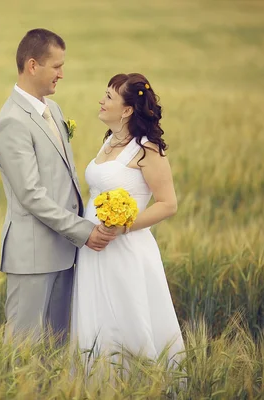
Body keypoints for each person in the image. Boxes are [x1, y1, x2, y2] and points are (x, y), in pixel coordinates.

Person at [0, 29, 117, 343]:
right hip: (33, 256)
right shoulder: (12, 122)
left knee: (57, 349)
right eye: (56, 66)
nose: (62, 73)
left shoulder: (53, 110)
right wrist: (84, 230)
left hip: (65, 250)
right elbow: (31, 195)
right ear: (33, 66)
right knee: (23, 350)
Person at [71, 73, 185, 367]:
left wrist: (122, 227)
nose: (101, 100)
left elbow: (168, 204)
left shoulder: (147, 149)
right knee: (96, 316)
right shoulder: (109, 141)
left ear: (127, 110)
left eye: (109, 96)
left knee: (126, 316)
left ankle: (142, 384)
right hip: (93, 248)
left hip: (126, 250)